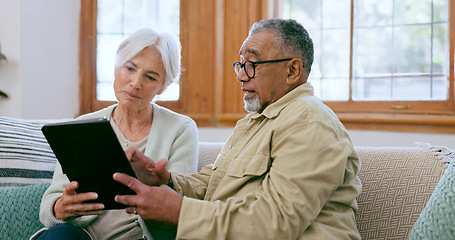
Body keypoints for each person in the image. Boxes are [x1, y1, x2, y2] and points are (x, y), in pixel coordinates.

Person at [112, 18, 362, 240]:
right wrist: (166, 180)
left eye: (252, 64)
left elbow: (277, 223)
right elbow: (214, 183)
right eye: (240, 64)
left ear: (292, 70)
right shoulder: (256, 120)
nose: (241, 76)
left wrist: (180, 212)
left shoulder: (309, 121)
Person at [31, 28, 199, 240]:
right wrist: (59, 208)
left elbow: (178, 207)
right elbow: (49, 206)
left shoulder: (181, 129)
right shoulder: (82, 125)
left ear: (162, 87)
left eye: (150, 77)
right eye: (130, 68)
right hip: (80, 235)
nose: (136, 83)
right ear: (116, 67)